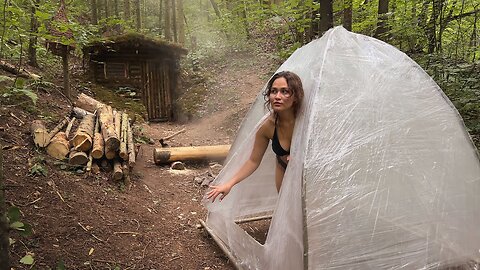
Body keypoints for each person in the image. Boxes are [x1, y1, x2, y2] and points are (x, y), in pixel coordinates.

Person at [207, 71, 304, 202]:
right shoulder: (267, 127)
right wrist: (229, 184)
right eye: (273, 91)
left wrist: (302, 155)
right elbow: (253, 161)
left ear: (296, 97)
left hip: (307, 172)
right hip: (283, 169)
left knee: (310, 213)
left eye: (285, 91)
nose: (277, 96)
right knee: (287, 208)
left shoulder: (306, 121)